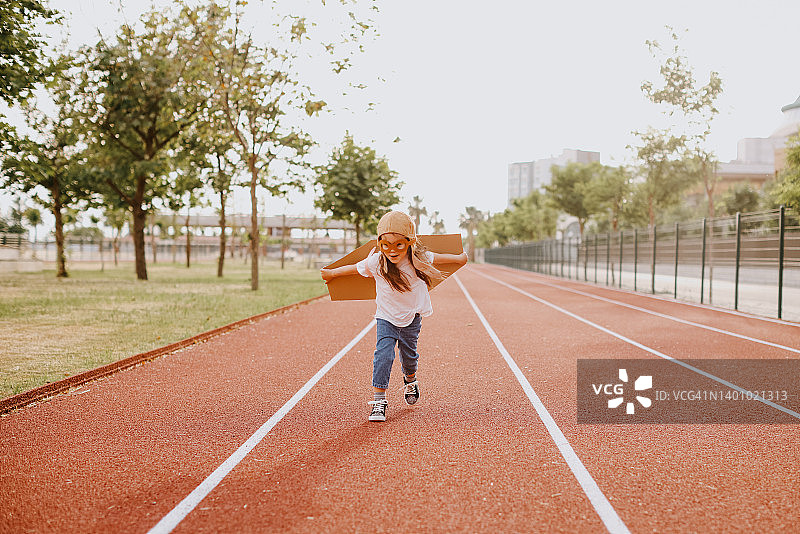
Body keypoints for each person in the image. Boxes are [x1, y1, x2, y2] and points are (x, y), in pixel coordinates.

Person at [320, 211, 467, 422]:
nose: (392, 250)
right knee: (384, 355)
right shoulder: (377, 262)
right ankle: (379, 401)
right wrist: (332, 274)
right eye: (386, 244)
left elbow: (443, 259)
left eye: (398, 244)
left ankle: (410, 380)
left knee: (409, 357)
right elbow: (354, 269)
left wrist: (460, 259)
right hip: (386, 318)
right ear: (380, 243)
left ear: (409, 242)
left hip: (411, 318)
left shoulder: (419, 259)